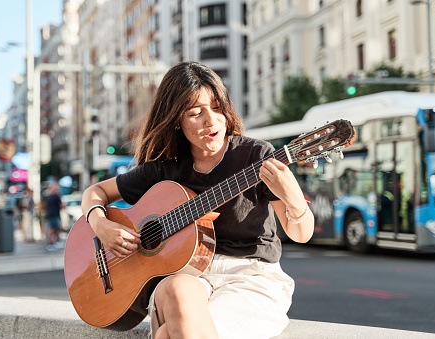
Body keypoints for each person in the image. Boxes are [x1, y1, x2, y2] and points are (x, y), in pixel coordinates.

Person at [81, 61, 314, 339]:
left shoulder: (255, 157)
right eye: (195, 112)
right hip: (188, 277)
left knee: (170, 334)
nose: (211, 120)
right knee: (175, 288)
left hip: (250, 278)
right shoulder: (165, 169)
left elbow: (301, 233)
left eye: (217, 107)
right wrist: (100, 225)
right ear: (176, 121)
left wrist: (294, 198)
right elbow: (95, 193)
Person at [45, 183, 64, 249]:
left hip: (50, 214)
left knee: (53, 229)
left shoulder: (49, 196)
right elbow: (61, 205)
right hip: (55, 214)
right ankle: (53, 243)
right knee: (54, 229)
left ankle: (53, 243)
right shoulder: (56, 196)